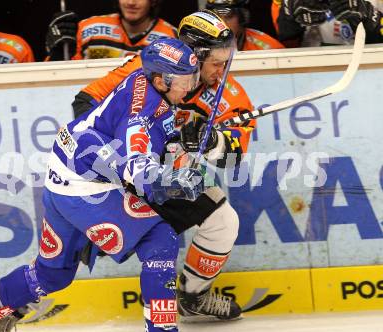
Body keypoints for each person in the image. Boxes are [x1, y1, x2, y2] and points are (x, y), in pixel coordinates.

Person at [0, 38, 202, 332]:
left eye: (192, 78)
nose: (190, 87)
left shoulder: (142, 81)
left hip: (64, 176)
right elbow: (139, 169)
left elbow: (150, 138)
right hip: (85, 189)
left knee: (52, 274)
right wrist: (173, 181)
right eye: (184, 81)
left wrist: (177, 145)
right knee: (160, 239)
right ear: (161, 80)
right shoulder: (141, 115)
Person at [72, 10, 256, 321]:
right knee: (68, 249)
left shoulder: (228, 94)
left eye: (228, 58)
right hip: (121, 175)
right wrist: (118, 159)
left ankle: (193, 297)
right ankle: (10, 307)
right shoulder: (146, 66)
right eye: (217, 60)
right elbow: (85, 103)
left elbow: (235, 154)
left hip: (168, 178)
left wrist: (213, 143)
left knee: (224, 222)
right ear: (195, 57)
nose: (223, 69)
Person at [45, 0, 177, 61]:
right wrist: (57, 55)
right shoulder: (87, 28)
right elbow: (57, 79)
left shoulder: (172, 38)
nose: (131, 2)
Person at [272, 0, 383, 47]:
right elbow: (285, 50)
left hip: (369, 72)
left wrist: (372, 21)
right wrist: (290, 22)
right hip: (310, 74)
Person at [205, 0, 285, 51]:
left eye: (228, 16)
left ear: (242, 18)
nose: (221, 24)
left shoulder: (269, 48)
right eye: (216, 16)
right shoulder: (199, 46)